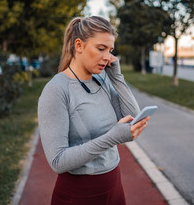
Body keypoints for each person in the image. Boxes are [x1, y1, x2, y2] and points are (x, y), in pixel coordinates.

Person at [37, 16, 150, 205]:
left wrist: (117, 76)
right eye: (101, 49)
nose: (107, 57)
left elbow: (132, 117)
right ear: (79, 45)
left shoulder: (103, 79)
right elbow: (58, 161)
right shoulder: (56, 90)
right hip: (79, 194)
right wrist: (112, 137)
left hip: (114, 185)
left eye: (110, 50)